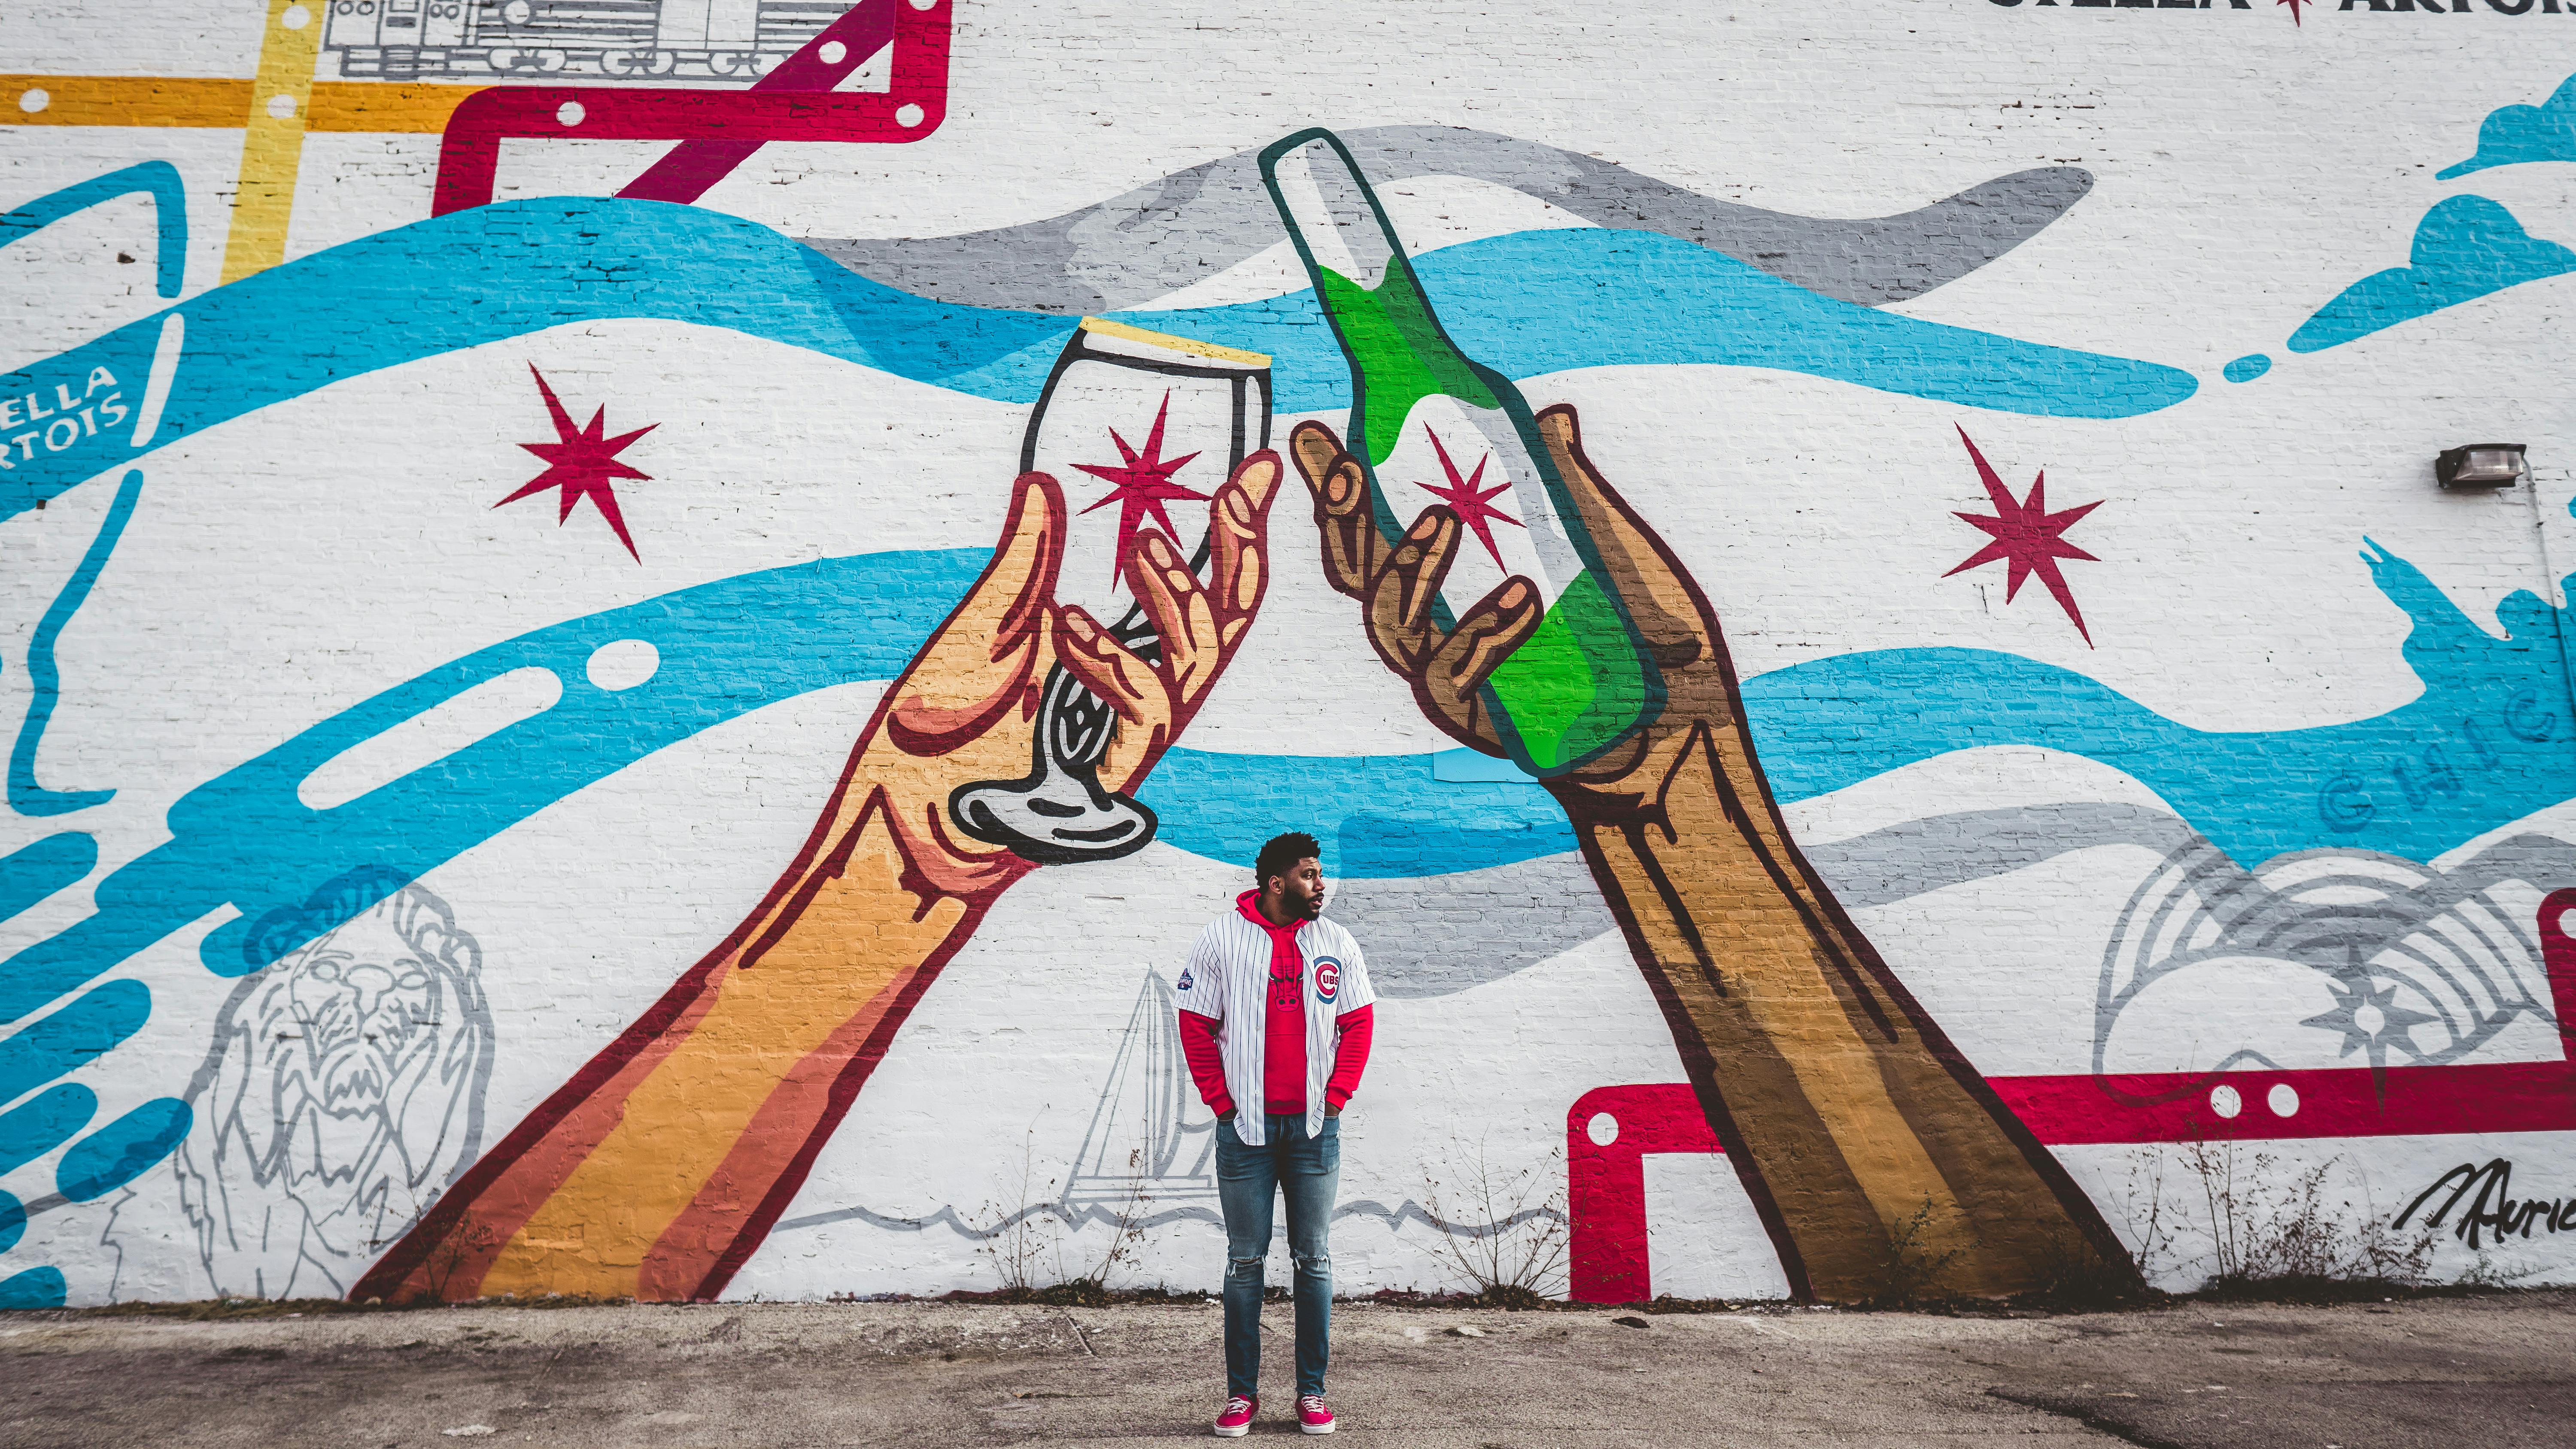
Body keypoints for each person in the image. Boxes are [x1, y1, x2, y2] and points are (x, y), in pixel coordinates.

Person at [1174, 831, 1376, 1437]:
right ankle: (1242, 1398)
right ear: (1277, 883)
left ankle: (1311, 1394)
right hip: (1247, 1134)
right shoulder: (1221, 938)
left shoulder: (1335, 941)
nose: (1321, 885)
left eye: (1321, 874)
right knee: (1244, 1261)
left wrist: (1335, 1098)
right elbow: (1194, 1023)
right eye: (1310, 875)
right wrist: (1222, 1104)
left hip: (1315, 1132)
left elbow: (1359, 1023)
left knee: (1313, 1259)